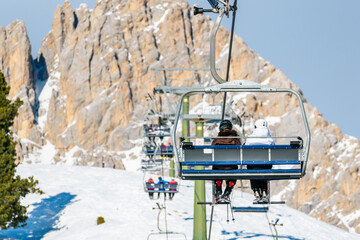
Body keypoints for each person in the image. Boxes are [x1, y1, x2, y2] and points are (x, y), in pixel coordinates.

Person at [245, 119, 275, 204]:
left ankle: (256, 191)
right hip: (266, 165)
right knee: (263, 170)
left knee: (253, 170)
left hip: (252, 165)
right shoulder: (269, 138)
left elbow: (245, 149)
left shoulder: (250, 138)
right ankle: (264, 191)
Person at [211, 120, 241, 200]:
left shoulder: (216, 140)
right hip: (231, 167)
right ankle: (228, 190)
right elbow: (240, 150)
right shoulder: (235, 140)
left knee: (216, 169)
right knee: (233, 172)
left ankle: (218, 189)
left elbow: (212, 149)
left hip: (218, 167)